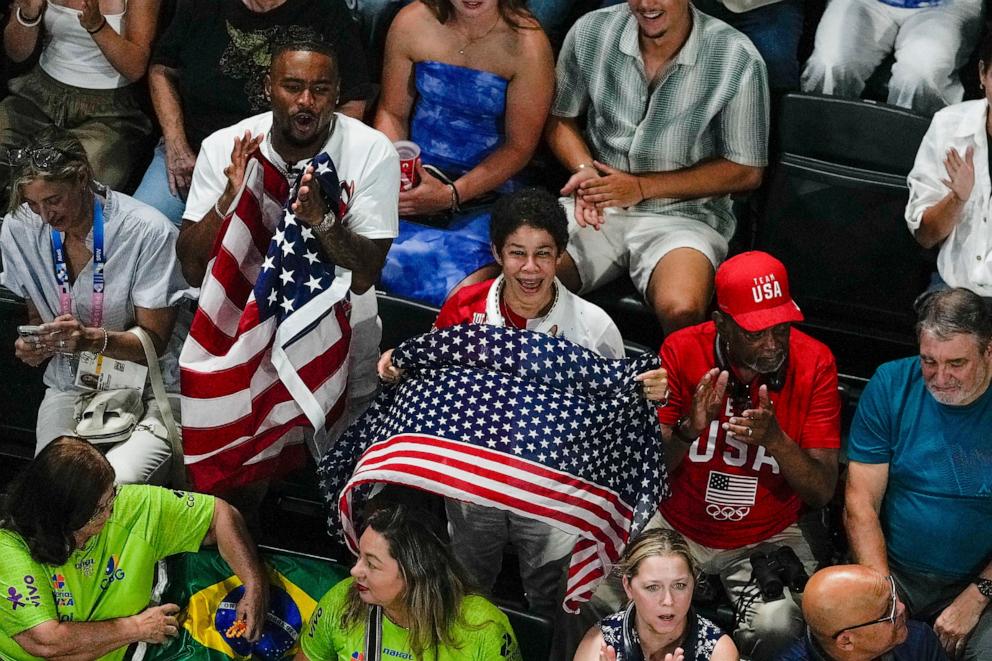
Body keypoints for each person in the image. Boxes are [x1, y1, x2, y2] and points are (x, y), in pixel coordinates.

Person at [378, 187, 669, 619]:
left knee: (551, 595)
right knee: (470, 587)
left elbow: (617, 412)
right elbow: (433, 378)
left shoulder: (593, 326)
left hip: (553, 491)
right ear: (497, 251)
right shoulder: (464, 308)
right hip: (473, 484)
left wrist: (648, 392)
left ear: (561, 254)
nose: (530, 269)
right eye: (517, 253)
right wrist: (397, 368)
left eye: (544, 254)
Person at [177, 38, 399, 459]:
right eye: (292, 86)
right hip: (248, 331)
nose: (306, 101)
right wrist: (229, 200)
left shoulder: (372, 152)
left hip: (340, 334)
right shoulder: (226, 146)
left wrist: (322, 219)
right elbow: (191, 268)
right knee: (243, 477)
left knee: (340, 472)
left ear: (337, 93)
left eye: (320, 89)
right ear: (267, 87)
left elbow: (366, 272)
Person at [545, 0, 768, 336]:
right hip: (598, 203)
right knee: (528, 279)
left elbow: (747, 169)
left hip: (684, 217)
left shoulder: (736, 56)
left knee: (682, 309)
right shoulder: (592, 29)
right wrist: (584, 169)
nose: (646, 4)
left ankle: (679, 388)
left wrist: (642, 187)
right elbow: (559, 118)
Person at [0, 126, 188, 485]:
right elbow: (38, 315)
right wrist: (36, 345)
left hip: (152, 387)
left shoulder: (148, 231)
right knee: (54, 486)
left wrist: (88, 339)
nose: (44, 216)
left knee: (113, 485)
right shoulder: (18, 228)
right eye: (32, 203)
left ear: (83, 178)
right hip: (73, 384)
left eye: (53, 200)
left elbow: (155, 342)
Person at [0, 436, 269, 661]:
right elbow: (47, 643)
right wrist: (136, 628)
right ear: (60, 518)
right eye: (96, 512)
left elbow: (220, 515)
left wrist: (254, 585)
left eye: (110, 498)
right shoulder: (9, 549)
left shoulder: (129, 507)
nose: (108, 514)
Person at [374, 0, 554, 307]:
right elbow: (392, 113)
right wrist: (393, 174)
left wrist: (451, 194)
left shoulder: (529, 43)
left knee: (461, 294)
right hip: (415, 178)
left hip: (489, 194)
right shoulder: (412, 21)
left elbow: (519, 147)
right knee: (357, 255)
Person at [845, 287, 992, 660]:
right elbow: (860, 503)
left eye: (957, 363)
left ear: (988, 350)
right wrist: (885, 594)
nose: (940, 377)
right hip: (894, 571)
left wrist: (978, 596)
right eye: (929, 360)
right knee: (853, 641)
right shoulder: (892, 383)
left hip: (982, 580)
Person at [133, 0, 373, 226]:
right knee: (140, 226)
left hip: (285, 166)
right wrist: (176, 147)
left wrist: (312, 166)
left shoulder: (326, 10)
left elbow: (353, 99)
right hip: (192, 155)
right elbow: (162, 70)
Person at [296, 501, 522, 660]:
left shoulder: (483, 627)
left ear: (415, 573)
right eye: (359, 557)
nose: (355, 571)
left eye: (372, 564)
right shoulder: (342, 599)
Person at [0, 0, 159, 192]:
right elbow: (16, 53)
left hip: (108, 113)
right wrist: (28, 15)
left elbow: (135, 68)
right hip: (37, 96)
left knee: (70, 181)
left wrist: (97, 26)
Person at [906, 32, 992, 296]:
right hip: (954, 288)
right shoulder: (948, 125)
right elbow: (925, 236)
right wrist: (957, 198)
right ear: (982, 74)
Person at [574, 529, 738, 661]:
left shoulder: (718, 652)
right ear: (628, 587)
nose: (668, 601)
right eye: (653, 587)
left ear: (693, 583)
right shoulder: (600, 643)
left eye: (679, 585)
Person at [800, 0, 982, 116]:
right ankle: (821, 146)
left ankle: (914, 156)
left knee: (919, 75)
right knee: (829, 65)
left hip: (947, 5)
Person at [780, 565, 946, 661]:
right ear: (846, 641)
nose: (901, 607)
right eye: (887, 612)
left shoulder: (919, 641)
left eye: (892, 598)